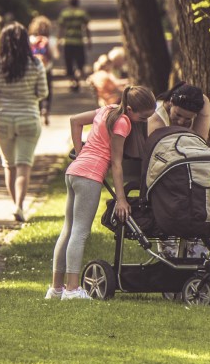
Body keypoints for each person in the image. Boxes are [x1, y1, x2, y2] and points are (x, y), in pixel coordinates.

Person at [50, 85, 155, 301]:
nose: (144, 121)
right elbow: (116, 164)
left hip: (74, 172)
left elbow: (75, 120)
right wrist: (122, 200)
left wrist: (80, 153)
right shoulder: (123, 122)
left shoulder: (107, 109)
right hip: (89, 176)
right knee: (80, 232)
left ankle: (56, 289)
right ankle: (72, 290)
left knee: (68, 230)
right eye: (143, 117)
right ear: (131, 109)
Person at [0, 23, 48, 222]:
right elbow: (43, 93)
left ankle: (15, 205)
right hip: (29, 118)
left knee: (9, 165)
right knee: (24, 165)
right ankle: (19, 206)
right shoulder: (36, 64)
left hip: (4, 119)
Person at [57, 0, 91, 91]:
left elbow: (61, 28)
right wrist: (89, 40)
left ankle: (72, 80)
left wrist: (58, 40)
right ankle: (77, 78)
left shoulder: (64, 13)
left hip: (68, 42)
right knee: (80, 62)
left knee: (69, 62)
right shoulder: (82, 13)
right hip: (79, 42)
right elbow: (86, 28)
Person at [28, 16, 57, 125]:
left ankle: (38, 110)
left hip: (34, 69)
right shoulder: (50, 39)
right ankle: (46, 109)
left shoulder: (30, 39)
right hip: (47, 68)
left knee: (36, 90)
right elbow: (56, 55)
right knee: (48, 90)